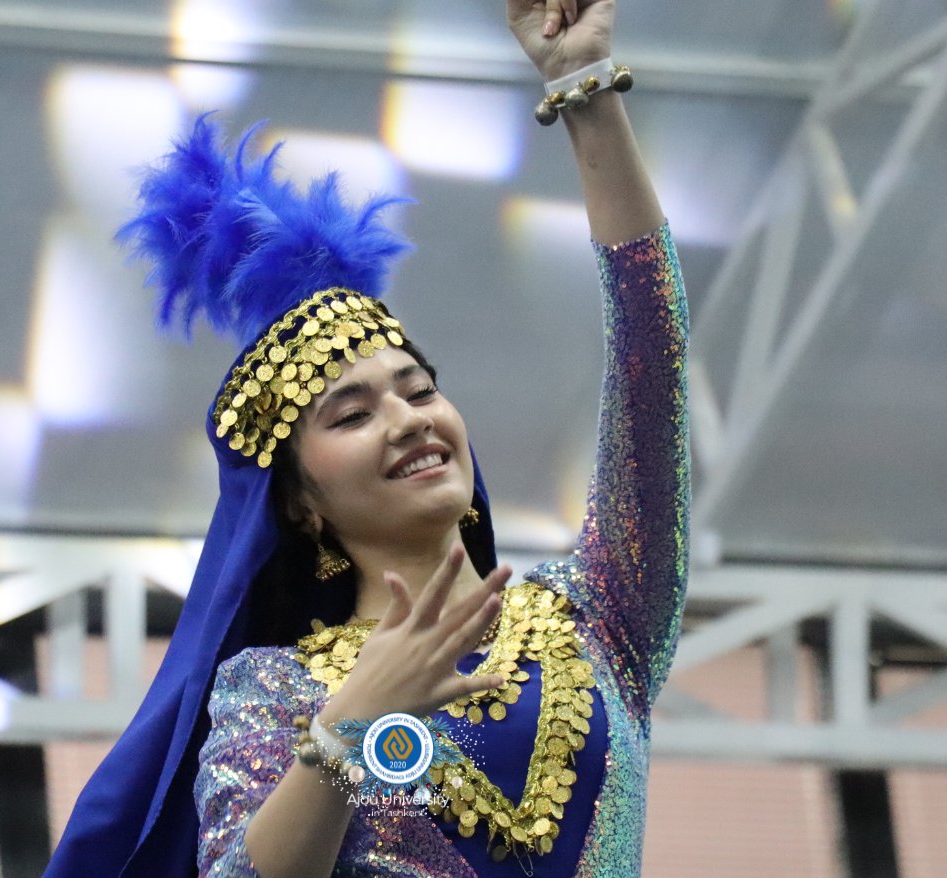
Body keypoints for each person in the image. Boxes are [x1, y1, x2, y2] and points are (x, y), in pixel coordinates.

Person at [43, 1, 689, 876]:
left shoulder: (600, 616)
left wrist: (584, 89)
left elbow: (652, 357)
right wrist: (350, 724)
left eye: (419, 390)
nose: (409, 418)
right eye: (352, 415)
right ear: (301, 506)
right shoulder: (274, 693)